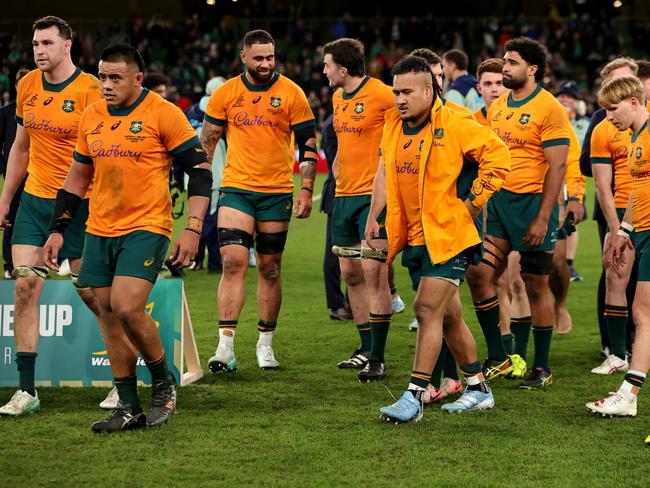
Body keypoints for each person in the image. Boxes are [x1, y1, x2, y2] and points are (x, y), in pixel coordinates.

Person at [43, 43, 211, 433]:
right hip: (99, 228)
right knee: (106, 312)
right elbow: (77, 179)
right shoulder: (91, 116)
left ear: (138, 78)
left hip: (147, 226)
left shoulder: (164, 114)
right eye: (101, 76)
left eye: (115, 77)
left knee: (126, 306)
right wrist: (56, 230)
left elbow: (200, 172)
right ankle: (127, 405)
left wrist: (193, 228)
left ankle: (163, 384)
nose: (105, 84)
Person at [368, 55, 510, 422]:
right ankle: (478, 388)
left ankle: (414, 395)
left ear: (429, 90)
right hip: (415, 239)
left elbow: (499, 156)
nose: (399, 99)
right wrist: (380, 219)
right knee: (448, 318)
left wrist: (473, 204)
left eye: (407, 92)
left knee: (426, 309)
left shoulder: (456, 122)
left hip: (450, 236)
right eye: (395, 91)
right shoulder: (393, 127)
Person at [0, 16, 118, 416]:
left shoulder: (90, 91)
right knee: (24, 288)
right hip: (34, 203)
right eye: (35, 44)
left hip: (80, 206)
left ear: (68, 46)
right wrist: (5, 199)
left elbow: (101, 153)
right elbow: (20, 147)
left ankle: (124, 379)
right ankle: (27, 390)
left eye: (47, 43)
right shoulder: (27, 85)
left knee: (93, 295)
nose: (39, 50)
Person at [200, 30, 317, 372]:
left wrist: (307, 188)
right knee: (232, 261)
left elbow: (309, 145)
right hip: (236, 188)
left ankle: (265, 344)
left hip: (276, 191)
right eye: (259, 58)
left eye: (270, 57)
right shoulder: (225, 94)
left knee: (269, 267)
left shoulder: (292, 93)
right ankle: (225, 348)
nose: (266, 64)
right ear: (243, 57)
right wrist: (202, 188)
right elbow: (206, 146)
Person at [465, 37, 571, 389]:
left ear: (532, 69)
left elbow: (557, 168)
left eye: (510, 63)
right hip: (498, 204)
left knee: (534, 285)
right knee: (479, 275)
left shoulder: (550, 108)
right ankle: (500, 356)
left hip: (532, 204)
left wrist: (543, 217)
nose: (504, 67)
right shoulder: (497, 108)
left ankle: (541, 367)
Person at [322, 38, 395, 381]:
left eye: (327, 65)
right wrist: (337, 171)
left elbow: (400, 133)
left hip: (372, 197)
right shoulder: (337, 98)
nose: (324, 71)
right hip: (344, 197)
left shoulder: (382, 94)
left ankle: (378, 356)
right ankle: (365, 347)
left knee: (374, 275)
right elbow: (344, 141)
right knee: (350, 274)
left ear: (343, 69)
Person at [586, 77, 650, 441]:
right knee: (643, 314)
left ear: (633, 101)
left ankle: (628, 395)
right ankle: (629, 394)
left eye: (613, 109)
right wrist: (623, 231)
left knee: (644, 314)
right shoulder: (637, 139)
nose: (608, 118)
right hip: (642, 231)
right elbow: (640, 191)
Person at [581, 57, 640, 362]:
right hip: (619, 212)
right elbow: (598, 177)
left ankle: (632, 354)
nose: (611, 114)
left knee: (641, 293)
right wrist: (619, 226)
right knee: (614, 277)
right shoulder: (602, 124)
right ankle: (615, 348)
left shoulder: (641, 130)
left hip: (635, 214)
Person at [556, 81, 589, 282]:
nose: (565, 99)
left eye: (570, 96)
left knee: (572, 221)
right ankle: (559, 262)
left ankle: (568, 263)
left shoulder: (584, 124)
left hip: (575, 175)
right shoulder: (554, 118)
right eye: (562, 95)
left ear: (577, 102)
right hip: (557, 176)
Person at [320, 113, 353, 321]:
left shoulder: (336, 120)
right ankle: (336, 304)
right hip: (339, 192)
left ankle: (350, 302)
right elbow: (338, 160)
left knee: (354, 251)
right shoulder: (336, 123)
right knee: (335, 251)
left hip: (348, 191)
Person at [0, 68, 30, 279]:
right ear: (17, 86)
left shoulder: (40, 110)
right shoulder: (5, 113)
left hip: (38, 173)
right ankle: (9, 265)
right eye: (22, 83)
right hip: (14, 173)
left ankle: (37, 265)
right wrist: (5, 168)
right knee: (11, 217)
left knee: (35, 219)